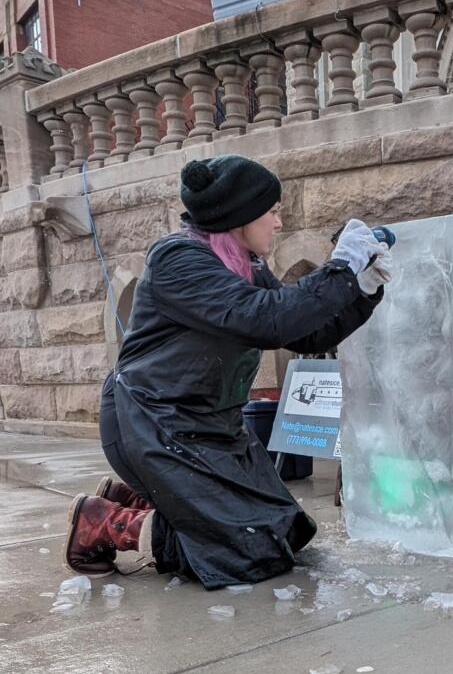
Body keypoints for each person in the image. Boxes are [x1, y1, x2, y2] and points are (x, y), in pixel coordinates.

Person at [63, 155, 393, 589]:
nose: (279, 222)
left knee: (286, 533)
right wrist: (340, 268)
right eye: (272, 211)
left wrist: (364, 290)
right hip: (154, 424)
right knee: (248, 552)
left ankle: (138, 501)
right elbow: (266, 319)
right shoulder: (178, 259)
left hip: (213, 427)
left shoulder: (247, 265)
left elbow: (304, 335)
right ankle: (104, 522)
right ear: (241, 217)